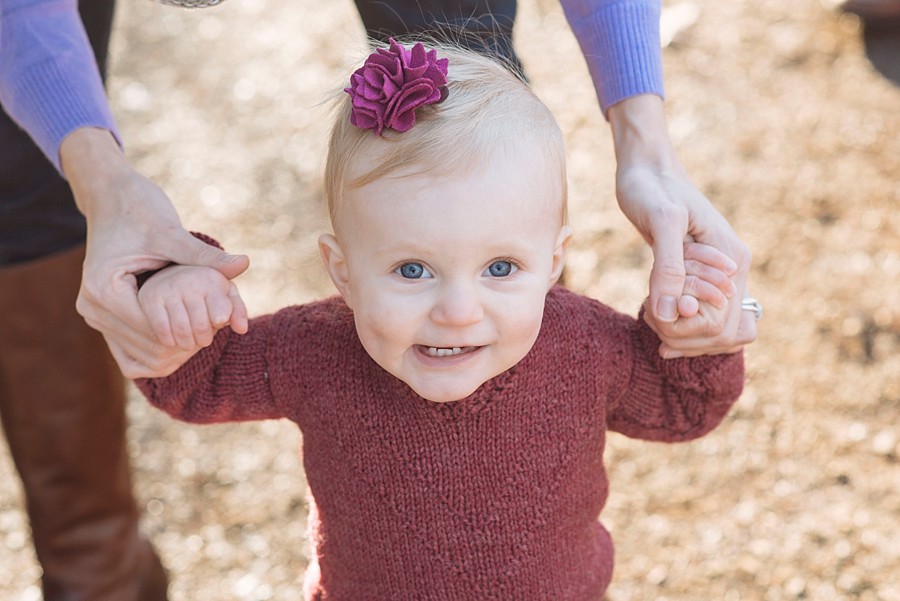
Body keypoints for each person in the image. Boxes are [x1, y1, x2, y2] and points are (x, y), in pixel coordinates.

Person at [134, 41, 747, 600]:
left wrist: (695, 337)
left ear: (554, 261)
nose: (458, 311)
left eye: (501, 267)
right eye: (412, 270)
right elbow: (193, 382)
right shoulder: (311, 351)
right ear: (342, 270)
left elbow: (681, 407)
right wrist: (174, 295)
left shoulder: (584, 344)